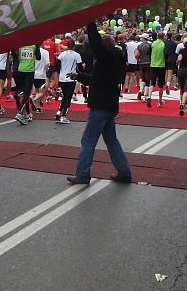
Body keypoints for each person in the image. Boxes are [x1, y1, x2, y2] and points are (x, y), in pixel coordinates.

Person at [66, 22, 132, 185]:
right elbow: (95, 79)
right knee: (111, 140)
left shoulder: (106, 57)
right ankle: (124, 172)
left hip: (100, 105)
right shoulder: (113, 60)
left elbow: (95, 42)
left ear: (104, 48)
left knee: (88, 141)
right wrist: (79, 76)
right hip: (109, 105)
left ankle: (83, 174)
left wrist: (89, 21)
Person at [13, 43, 41, 125]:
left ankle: (28, 113)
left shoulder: (20, 45)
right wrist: (37, 47)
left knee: (24, 93)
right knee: (27, 93)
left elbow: (16, 56)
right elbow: (39, 57)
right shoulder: (34, 45)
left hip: (20, 70)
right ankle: (20, 113)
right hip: (29, 71)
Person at [55, 40, 82, 124]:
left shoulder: (62, 55)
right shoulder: (77, 55)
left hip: (62, 78)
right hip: (71, 78)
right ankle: (63, 116)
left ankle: (59, 112)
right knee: (68, 97)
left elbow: (58, 66)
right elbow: (80, 67)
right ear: (74, 46)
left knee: (64, 96)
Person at [145, 32, 167, 108]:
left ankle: (149, 96)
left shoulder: (153, 43)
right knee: (161, 84)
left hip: (153, 64)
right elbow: (166, 54)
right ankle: (160, 101)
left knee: (152, 82)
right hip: (161, 65)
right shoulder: (164, 44)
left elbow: (148, 53)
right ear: (163, 37)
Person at [31, 43, 50, 113]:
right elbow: (47, 63)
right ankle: (34, 98)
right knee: (42, 92)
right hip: (41, 74)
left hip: (33, 73)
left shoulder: (33, 50)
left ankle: (38, 107)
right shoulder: (45, 52)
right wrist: (45, 69)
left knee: (37, 91)